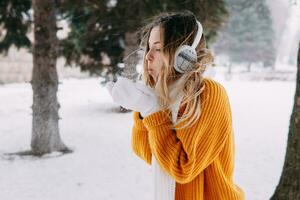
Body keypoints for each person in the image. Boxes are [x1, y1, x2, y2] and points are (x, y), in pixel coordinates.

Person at [106, 10, 244, 200]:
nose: (148, 57)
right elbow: (149, 154)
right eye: (148, 48)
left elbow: (183, 169)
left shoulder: (208, 94)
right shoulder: (163, 95)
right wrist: (142, 109)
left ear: (183, 54)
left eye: (158, 48)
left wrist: (151, 111)